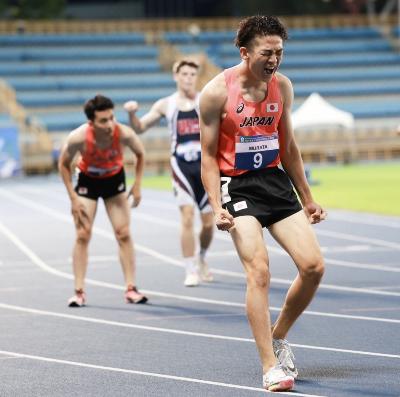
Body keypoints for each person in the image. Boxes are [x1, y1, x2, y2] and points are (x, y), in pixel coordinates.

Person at [199, 16, 326, 392]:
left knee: (314, 267)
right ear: (245, 52)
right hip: (235, 186)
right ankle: (270, 366)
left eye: (280, 52)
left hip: (273, 182)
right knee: (259, 270)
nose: (275, 60)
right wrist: (214, 204)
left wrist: (308, 197)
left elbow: (288, 146)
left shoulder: (282, 87)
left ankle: (278, 336)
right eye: (267, 53)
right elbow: (207, 156)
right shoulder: (215, 93)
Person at [123, 59, 214, 287]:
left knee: (208, 223)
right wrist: (132, 114)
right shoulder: (167, 104)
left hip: (205, 166)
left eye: (192, 74)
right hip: (181, 166)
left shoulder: (206, 99)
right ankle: (190, 269)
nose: (188, 78)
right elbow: (139, 128)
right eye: (184, 74)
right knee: (186, 217)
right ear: (176, 76)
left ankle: (201, 256)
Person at [58, 94, 148, 307]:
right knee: (82, 234)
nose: (109, 124)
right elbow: (63, 164)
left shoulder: (124, 133)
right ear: (91, 122)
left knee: (123, 233)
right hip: (87, 181)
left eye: (112, 118)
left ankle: (131, 288)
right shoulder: (78, 137)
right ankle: (78, 292)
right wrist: (73, 198)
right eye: (103, 120)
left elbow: (140, 154)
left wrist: (137, 185)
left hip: (113, 180)